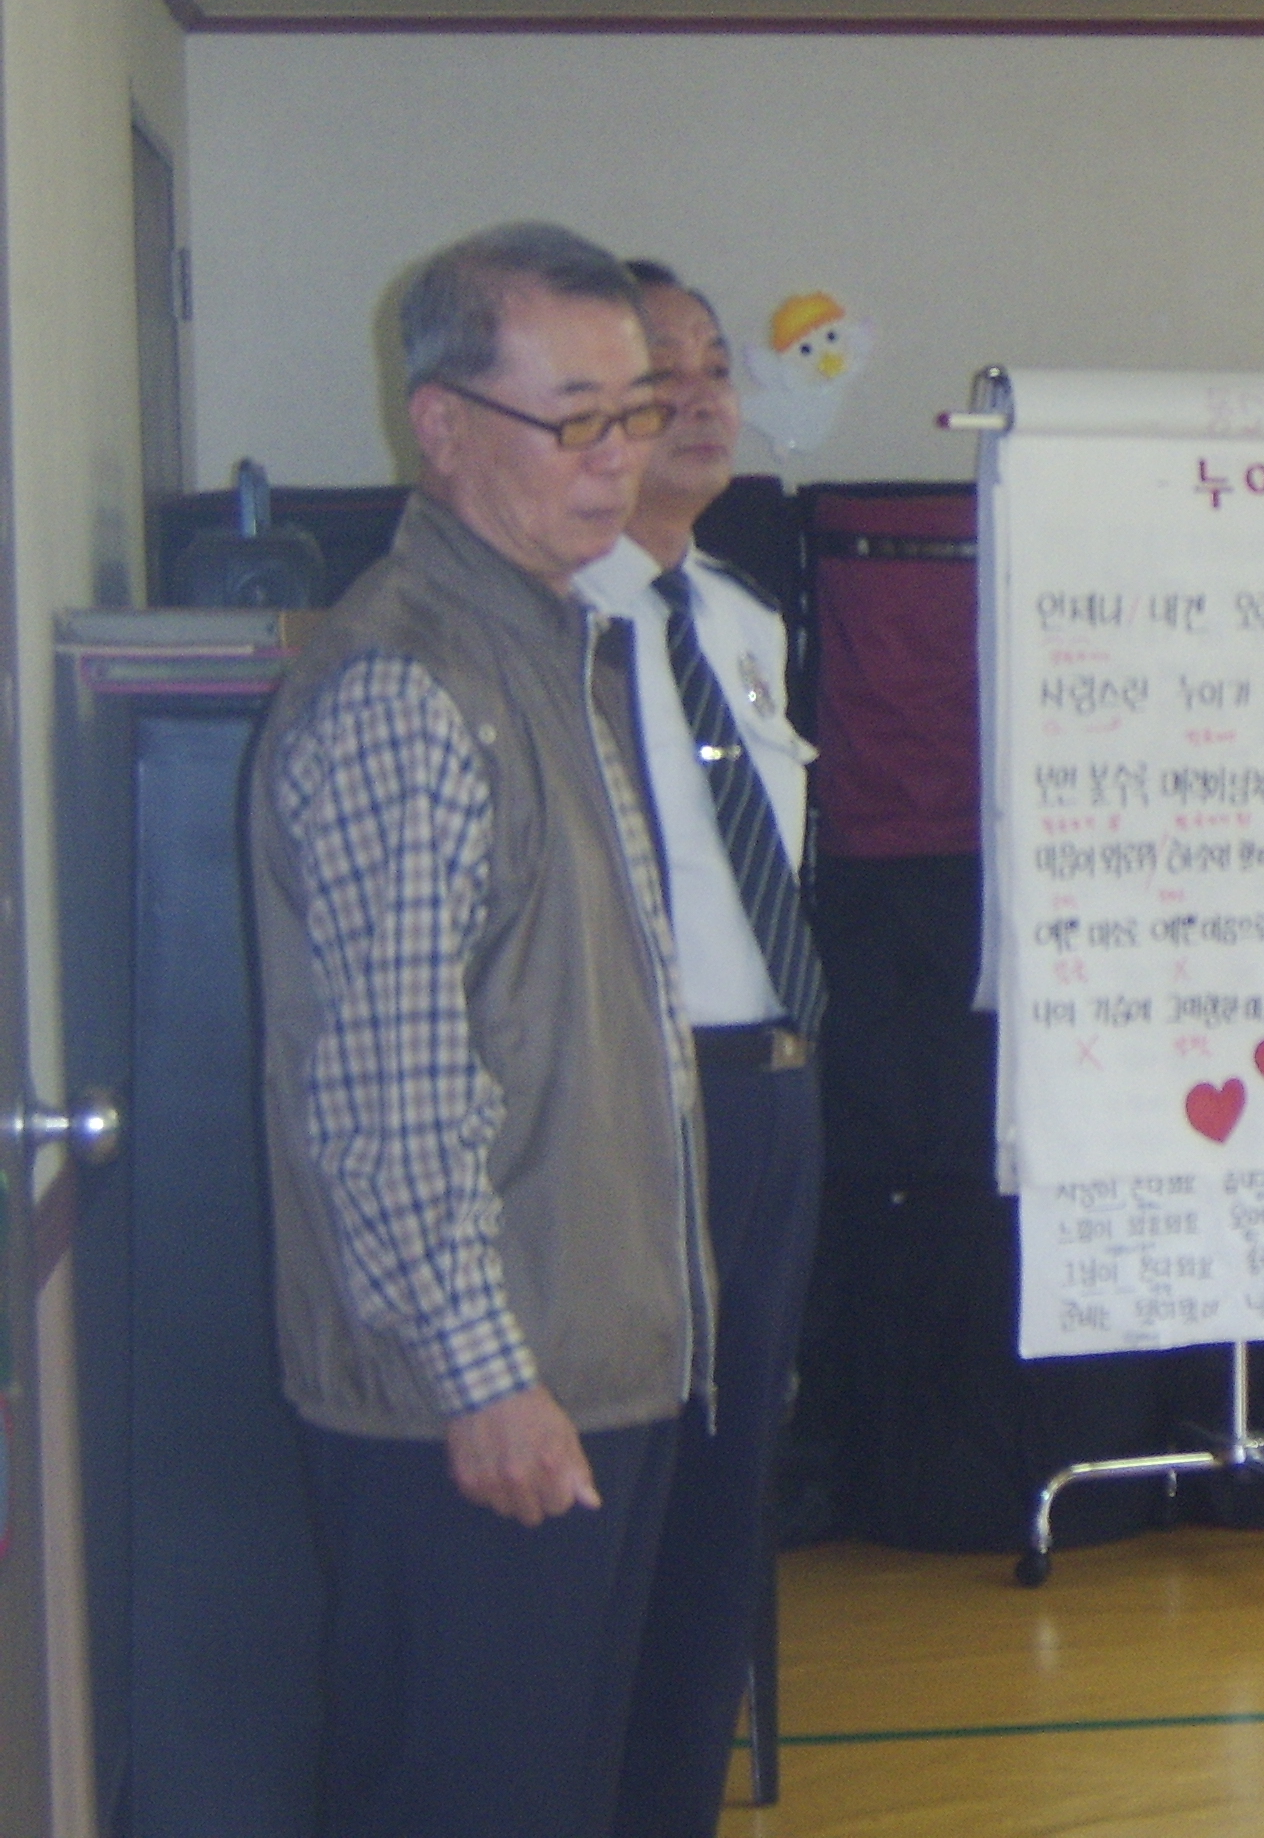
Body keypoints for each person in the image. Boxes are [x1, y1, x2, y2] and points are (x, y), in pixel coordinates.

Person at [250, 223, 709, 1838]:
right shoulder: (409, 688)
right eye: (572, 418)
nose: (617, 457)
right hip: (483, 1415)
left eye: (634, 412)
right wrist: (486, 1385)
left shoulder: (551, 647)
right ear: (441, 428)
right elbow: (387, 1103)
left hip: (585, 1377)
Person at [576, 263, 826, 1835]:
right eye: (661, 370)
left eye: (719, 367)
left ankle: (676, 1802)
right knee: (631, 1492)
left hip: (772, 1094)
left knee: (732, 1497)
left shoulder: (739, 621)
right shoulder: (555, 621)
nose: (703, 397)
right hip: (634, 1106)